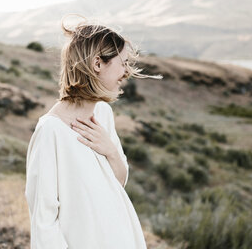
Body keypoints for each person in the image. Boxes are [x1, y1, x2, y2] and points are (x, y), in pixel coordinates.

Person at [25, 15, 162, 249]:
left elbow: (118, 180)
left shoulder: (103, 113)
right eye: (123, 63)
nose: (127, 72)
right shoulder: (51, 131)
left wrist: (110, 150)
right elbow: (43, 222)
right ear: (97, 64)